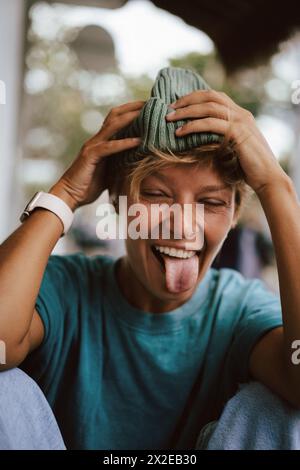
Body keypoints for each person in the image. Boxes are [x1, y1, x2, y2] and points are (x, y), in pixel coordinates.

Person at [0, 66, 299, 450]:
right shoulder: (68, 289)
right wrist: (66, 194)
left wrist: (276, 186)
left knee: (284, 407)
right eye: (156, 196)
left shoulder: (238, 312)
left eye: (210, 203)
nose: (183, 225)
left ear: (234, 214)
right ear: (117, 203)